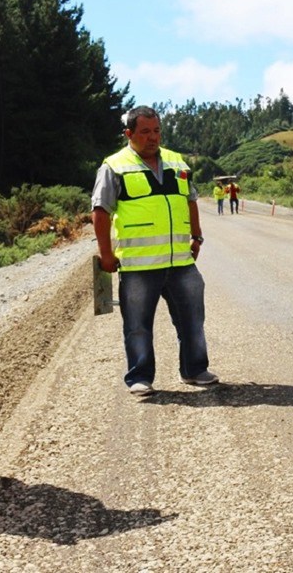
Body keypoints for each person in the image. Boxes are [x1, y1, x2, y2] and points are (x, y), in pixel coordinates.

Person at [92, 105, 218, 396]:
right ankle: (140, 376)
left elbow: (191, 201)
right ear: (129, 134)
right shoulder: (113, 166)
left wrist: (196, 236)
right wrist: (107, 254)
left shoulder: (177, 163)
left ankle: (195, 370)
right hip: (139, 266)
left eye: (157, 130)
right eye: (145, 132)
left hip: (181, 263)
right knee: (137, 326)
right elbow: (100, 212)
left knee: (192, 320)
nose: (153, 137)